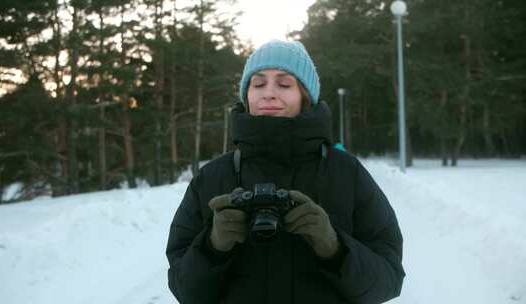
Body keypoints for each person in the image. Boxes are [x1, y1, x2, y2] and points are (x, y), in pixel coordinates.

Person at [166, 40, 405, 304]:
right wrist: (212, 247)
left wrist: (334, 247)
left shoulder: (347, 173)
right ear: (246, 96)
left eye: (284, 84)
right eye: (258, 84)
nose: (268, 93)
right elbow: (184, 291)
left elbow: (389, 279)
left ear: (305, 95)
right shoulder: (212, 177)